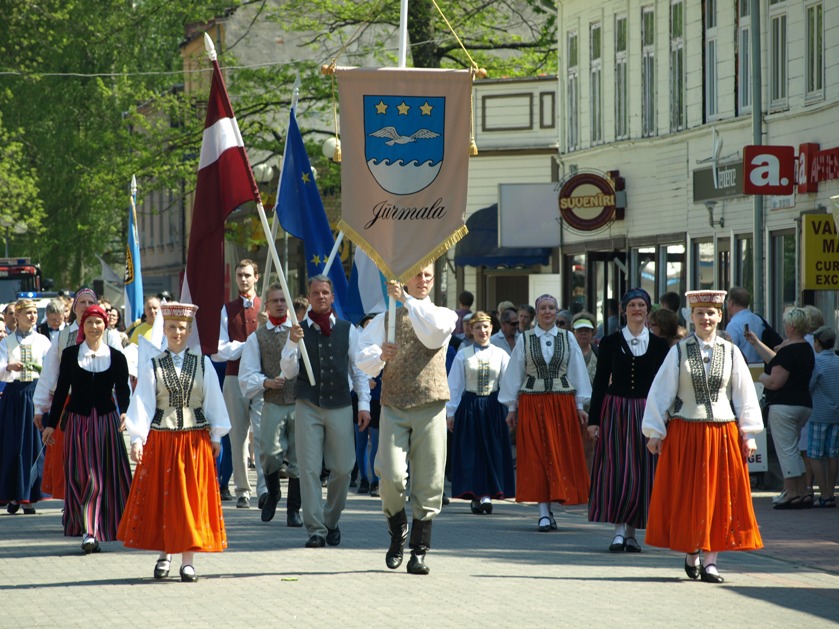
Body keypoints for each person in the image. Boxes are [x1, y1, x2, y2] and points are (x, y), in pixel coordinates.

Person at [643, 290, 763, 584]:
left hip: (722, 432)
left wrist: (748, 434)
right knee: (689, 494)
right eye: (700, 313)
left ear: (720, 316)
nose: (706, 318)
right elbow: (661, 392)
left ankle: (711, 560)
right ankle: (690, 551)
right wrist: (655, 431)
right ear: (691, 317)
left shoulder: (732, 352)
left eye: (711, 313)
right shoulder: (679, 351)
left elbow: (744, 394)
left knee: (720, 495)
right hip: (686, 431)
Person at [357, 263, 457, 575]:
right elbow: (362, 356)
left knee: (428, 480)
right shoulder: (386, 318)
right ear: (406, 278)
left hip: (430, 404)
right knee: (390, 474)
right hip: (394, 404)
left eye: (428, 275)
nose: (423, 280)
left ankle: (419, 551)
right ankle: (397, 527)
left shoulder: (443, 314)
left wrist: (407, 300)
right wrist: (379, 356)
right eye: (418, 274)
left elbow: (433, 335)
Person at [118, 302, 229, 581]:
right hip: (163, 440)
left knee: (190, 500)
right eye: (171, 327)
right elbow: (142, 402)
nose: (177, 332)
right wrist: (137, 439)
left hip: (194, 440)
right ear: (164, 330)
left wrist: (216, 434)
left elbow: (213, 399)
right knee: (164, 498)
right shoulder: (153, 364)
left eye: (182, 327)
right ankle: (163, 554)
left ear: (189, 330)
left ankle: (188, 560)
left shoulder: (203, 363)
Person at [281, 275, 371, 549]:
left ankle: (331, 519)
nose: (321, 296)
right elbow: (288, 372)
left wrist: (364, 404)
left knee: (343, 468)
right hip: (307, 404)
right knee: (309, 469)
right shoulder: (297, 330)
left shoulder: (347, 330)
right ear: (308, 298)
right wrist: (291, 343)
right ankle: (316, 530)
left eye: (325, 292)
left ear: (332, 297)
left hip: (341, 405)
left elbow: (358, 369)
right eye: (315, 293)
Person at [41, 305, 132, 554]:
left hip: (106, 422)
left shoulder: (116, 356)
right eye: (89, 322)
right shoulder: (71, 355)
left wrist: (125, 412)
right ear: (82, 326)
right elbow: (61, 391)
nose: (94, 327)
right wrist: (51, 423)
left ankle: (94, 530)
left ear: (105, 325)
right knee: (83, 475)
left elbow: (123, 390)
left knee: (104, 476)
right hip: (78, 423)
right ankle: (87, 528)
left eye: (98, 322)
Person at [499, 293, 592, 532]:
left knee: (558, 453)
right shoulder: (526, 339)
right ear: (537, 312)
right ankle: (542, 510)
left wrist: (580, 405)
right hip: (532, 401)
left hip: (561, 402)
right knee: (538, 453)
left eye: (552, 308)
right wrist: (511, 407)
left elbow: (576, 370)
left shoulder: (567, 338)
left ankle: (550, 506)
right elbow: (515, 372)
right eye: (543, 308)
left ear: (557, 311)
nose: (548, 312)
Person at [587, 289, 670, 553]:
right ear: (624, 310)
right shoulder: (610, 342)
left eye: (641, 305)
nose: (637, 309)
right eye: (632, 305)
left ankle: (633, 533)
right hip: (616, 411)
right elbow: (600, 383)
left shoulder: (659, 345)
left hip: (647, 412)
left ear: (648, 311)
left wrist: (665, 417)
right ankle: (618, 531)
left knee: (642, 471)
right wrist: (594, 420)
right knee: (617, 469)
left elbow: (664, 385)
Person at [34, 287, 123, 501]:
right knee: (71, 457)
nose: (85, 307)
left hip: (102, 404)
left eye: (89, 302)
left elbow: (122, 377)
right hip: (69, 403)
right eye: (81, 302)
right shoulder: (64, 335)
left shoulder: (109, 335)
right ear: (74, 308)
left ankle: (98, 504)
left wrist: (125, 410)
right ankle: (74, 503)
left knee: (100, 459)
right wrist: (40, 406)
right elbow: (50, 372)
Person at [239, 283, 302, 526]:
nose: (279, 304)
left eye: (282, 300)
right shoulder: (257, 337)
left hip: (297, 401)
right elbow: (247, 375)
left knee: (298, 458)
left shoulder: (298, 331)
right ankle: (274, 493)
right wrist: (265, 382)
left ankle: (293, 510)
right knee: (268, 452)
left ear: (288, 304)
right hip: (273, 402)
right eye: (274, 300)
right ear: (266, 306)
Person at [745, 307, 815, 509]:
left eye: (785, 323)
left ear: (791, 326)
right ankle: (802, 491)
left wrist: (760, 376)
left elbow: (775, 381)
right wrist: (756, 343)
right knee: (793, 448)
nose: (783, 326)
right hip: (803, 404)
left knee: (787, 451)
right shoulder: (804, 348)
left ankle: (792, 492)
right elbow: (776, 359)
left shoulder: (789, 350)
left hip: (784, 405)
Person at [446, 311, 514, 514]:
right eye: (478, 327)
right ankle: (475, 494)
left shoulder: (500, 354)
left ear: (491, 329)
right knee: (472, 452)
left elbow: (508, 384)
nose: (482, 331)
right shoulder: (463, 354)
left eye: (485, 327)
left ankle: (486, 495)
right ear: (471, 330)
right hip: (470, 407)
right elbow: (455, 385)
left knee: (491, 451)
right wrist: (451, 412)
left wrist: (511, 408)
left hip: (493, 407)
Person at [212, 260, 265, 509]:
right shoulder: (227, 309)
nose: (243, 280)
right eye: (239, 275)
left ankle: (265, 487)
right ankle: (243, 489)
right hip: (234, 377)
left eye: (247, 275)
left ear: (256, 277)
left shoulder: (266, 307)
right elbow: (219, 350)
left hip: (263, 378)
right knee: (238, 437)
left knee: (264, 434)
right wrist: (247, 346)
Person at [0, 299, 53, 514]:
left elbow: (50, 369)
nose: (32, 316)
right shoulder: (6, 342)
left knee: (32, 447)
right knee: (13, 446)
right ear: (17, 315)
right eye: (28, 313)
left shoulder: (43, 341)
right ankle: (13, 494)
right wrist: (8, 367)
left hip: (34, 394)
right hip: (14, 397)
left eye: (34, 313)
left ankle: (29, 496)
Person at [808, 326, 839, 508]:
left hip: (819, 413)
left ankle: (824, 493)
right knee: (833, 455)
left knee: (815, 455)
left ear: (818, 342)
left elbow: (810, 386)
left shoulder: (817, 362)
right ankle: (832, 492)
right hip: (836, 415)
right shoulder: (838, 362)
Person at [354, 313, 382, 497]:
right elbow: (353, 371)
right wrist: (366, 380)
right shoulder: (357, 347)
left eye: (375, 325)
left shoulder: (384, 346)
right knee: (361, 442)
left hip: (379, 400)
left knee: (378, 442)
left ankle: (376, 481)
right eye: (367, 325)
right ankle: (363, 479)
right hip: (359, 400)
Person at [572, 312, 598, 473]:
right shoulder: (567, 353)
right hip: (571, 407)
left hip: (592, 409)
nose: (583, 334)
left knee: (590, 449)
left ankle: (589, 485)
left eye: (587, 331)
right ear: (573, 332)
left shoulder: (599, 352)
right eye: (580, 330)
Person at [725, 286, 765, 363]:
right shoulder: (759, 320)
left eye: (727, 301)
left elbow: (729, 354)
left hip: (742, 370)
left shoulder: (733, 325)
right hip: (762, 369)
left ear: (731, 303)